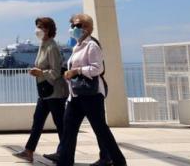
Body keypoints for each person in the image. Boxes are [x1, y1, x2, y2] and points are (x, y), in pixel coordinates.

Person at [55, 14, 126, 166]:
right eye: (73, 25)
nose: (74, 28)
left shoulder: (91, 45)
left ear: (88, 28)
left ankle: (119, 161)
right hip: (75, 95)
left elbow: (97, 68)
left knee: (101, 130)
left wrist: (77, 71)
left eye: (78, 25)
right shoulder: (78, 45)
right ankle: (64, 162)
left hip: (91, 95)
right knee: (68, 131)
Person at [14, 17, 67, 162]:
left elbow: (56, 72)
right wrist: (36, 71)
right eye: (37, 26)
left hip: (55, 92)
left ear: (48, 30)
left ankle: (65, 154)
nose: (37, 30)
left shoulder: (52, 47)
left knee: (60, 124)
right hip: (45, 92)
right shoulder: (42, 45)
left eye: (40, 27)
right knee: (37, 121)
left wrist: (40, 73)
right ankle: (29, 151)